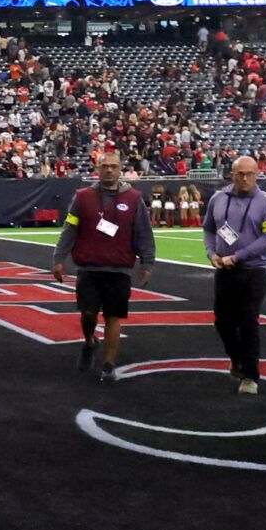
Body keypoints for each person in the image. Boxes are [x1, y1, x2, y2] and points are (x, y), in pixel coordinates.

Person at [53, 149, 154, 383]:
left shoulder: (134, 198)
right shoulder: (82, 197)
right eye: (104, 166)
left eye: (113, 166)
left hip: (118, 269)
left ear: (121, 169)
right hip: (89, 267)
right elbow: (70, 229)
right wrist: (59, 259)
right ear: (97, 168)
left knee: (114, 317)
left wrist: (147, 263)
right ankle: (89, 341)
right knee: (88, 314)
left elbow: (143, 234)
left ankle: (109, 364)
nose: (109, 170)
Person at [203, 156, 266, 395]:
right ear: (232, 174)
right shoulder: (218, 198)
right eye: (240, 173)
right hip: (225, 270)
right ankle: (237, 358)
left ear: (258, 174)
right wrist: (211, 253)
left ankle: (250, 376)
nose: (245, 178)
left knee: (248, 320)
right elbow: (208, 228)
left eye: (250, 173)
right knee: (223, 321)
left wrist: (237, 256)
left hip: (254, 269)